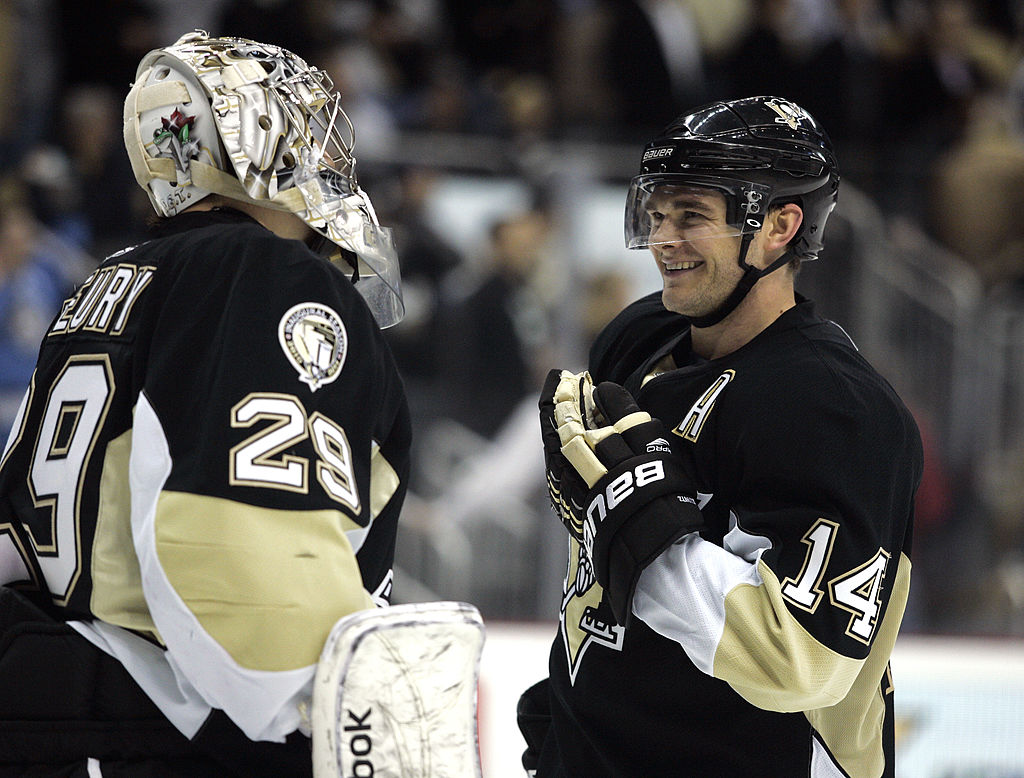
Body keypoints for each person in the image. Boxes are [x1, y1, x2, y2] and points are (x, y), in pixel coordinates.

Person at [0, 31, 409, 777]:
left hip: (53, 705)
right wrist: (332, 722)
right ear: (250, 142)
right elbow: (234, 534)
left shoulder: (115, 278)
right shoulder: (264, 274)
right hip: (157, 727)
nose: (323, 155)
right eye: (303, 129)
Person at [519, 96, 923, 777]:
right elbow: (595, 576)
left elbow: (801, 661)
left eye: (692, 216)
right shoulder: (641, 339)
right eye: (657, 214)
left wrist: (639, 533)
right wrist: (567, 715)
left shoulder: (833, 408)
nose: (663, 241)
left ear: (778, 227)